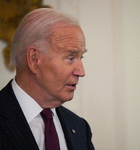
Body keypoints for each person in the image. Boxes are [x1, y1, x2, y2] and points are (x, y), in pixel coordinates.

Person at [0, 8, 95, 150]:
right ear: (34, 59)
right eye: (70, 58)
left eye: (80, 58)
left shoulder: (80, 127)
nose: (81, 72)